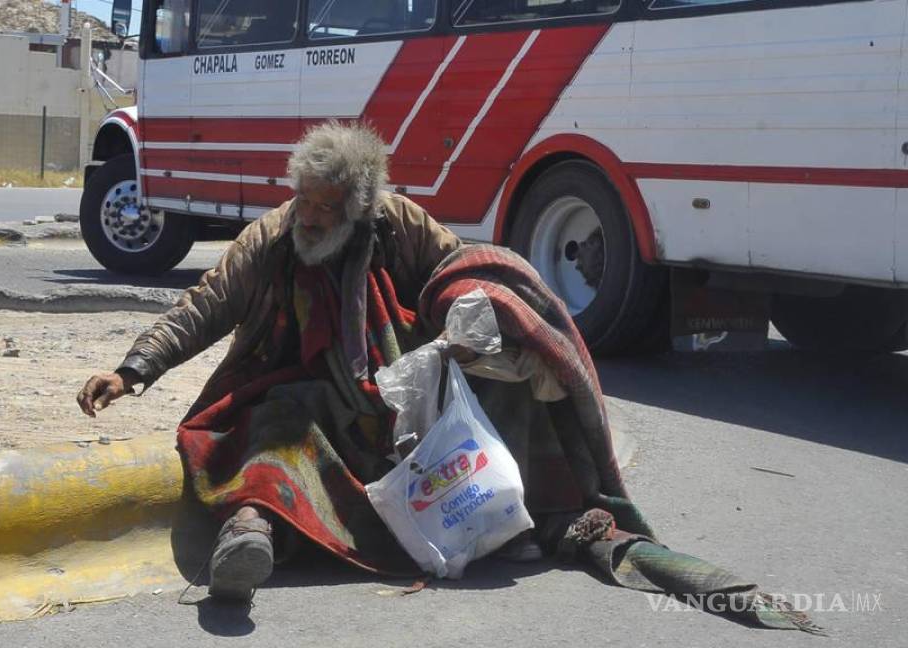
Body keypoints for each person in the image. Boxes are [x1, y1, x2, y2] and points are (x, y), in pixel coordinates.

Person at [77, 122, 819, 634]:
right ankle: (254, 533)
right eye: (301, 200)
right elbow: (208, 303)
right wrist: (132, 369)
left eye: (323, 208)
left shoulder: (398, 223)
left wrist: (478, 329)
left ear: (358, 206)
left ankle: (555, 515)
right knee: (273, 437)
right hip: (295, 386)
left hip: (394, 395)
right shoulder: (272, 235)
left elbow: (462, 275)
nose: (306, 216)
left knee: (504, 388)